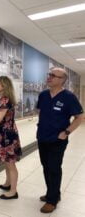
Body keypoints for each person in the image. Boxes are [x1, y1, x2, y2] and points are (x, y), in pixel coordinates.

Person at [36, 67, 83, 213]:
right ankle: (53, 193)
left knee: (54, 169)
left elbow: (80, 117)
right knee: (45, 167)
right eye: (48, 74)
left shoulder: (69, 97)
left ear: (62, 80)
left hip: (57, 140)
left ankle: (52, 200)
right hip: (42, 138)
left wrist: (66, 132)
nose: (49, 77)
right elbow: (41, 113)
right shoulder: (43, 95)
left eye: (53, 75)